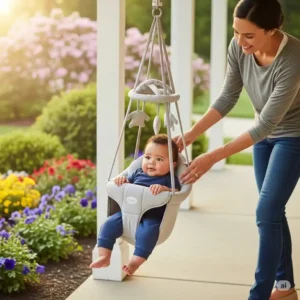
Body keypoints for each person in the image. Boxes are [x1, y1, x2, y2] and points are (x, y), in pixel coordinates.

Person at [174, 0, 300, 299]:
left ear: (273, 30)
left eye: (249, 36)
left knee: (266, 211)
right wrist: (190, 135)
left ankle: (259, 294)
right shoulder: (238, 47)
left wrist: (211, 157)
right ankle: (285, 287)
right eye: (236, 32)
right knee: (272, 212)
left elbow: (265, 125)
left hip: (293, 136)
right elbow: (228, 97)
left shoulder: (294, 58)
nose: (240, 42)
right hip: (264, 136)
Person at [90, 134, 181, 275]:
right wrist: (122, 180)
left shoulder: (168, 179)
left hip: (151, 218)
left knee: (148, 232)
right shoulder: (137, 173)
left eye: (159, 159)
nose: (151, 162)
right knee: (108, 224)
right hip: (126, 214)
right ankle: (104, 255)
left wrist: (165, 189)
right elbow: (126, 181)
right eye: (148, 157)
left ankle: (134, 262)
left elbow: (176, 192)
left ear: (172, 166)